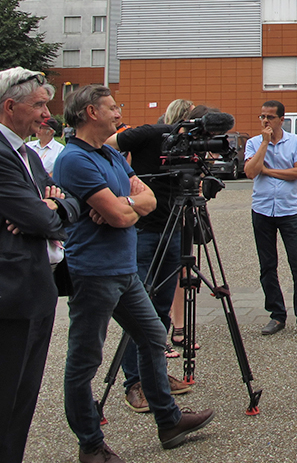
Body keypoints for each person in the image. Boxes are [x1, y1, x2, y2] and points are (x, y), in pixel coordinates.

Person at [53, 86, 214, 463]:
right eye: (112, 107)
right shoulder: (74, 159)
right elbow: (122, 214)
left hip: (124, 270)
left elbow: (149, 200)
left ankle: (169, 421)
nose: (117, 112)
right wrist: (126, 204)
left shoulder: (108, 153)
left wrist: (123, 202)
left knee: (153, 337)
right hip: (94, 272)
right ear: (91, 112)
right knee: (84, 359)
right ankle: (90, 445)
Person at [0, 68, 80, 463]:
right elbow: (40, 220)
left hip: (36, 289)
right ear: (11, 107)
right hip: (8, 297)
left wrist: (54, 205)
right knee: (2, 403)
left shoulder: (26, 153)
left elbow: (67, 204)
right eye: (40, 104)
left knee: (21, 402)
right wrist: (46, 211)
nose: (47, 114)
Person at [104, 98, 194, 412]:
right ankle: (134, 383)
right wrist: (121, 184)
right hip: (143, 231)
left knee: (159, 310)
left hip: (173, 229)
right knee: (137, 311)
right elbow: (107, 145)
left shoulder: (189, 148)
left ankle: (154, 376)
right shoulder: (148, 134)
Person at [245, 99, 297, 337]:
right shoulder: (254, 143)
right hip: (263, 210)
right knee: (268, 265)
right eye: (262, 117)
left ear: (281, 119)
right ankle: (276, 315)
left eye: (270, 117)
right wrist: (264, 145)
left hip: (289, 211)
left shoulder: (295, 141)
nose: (265, 121)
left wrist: (268, 171)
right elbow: (250, 172)